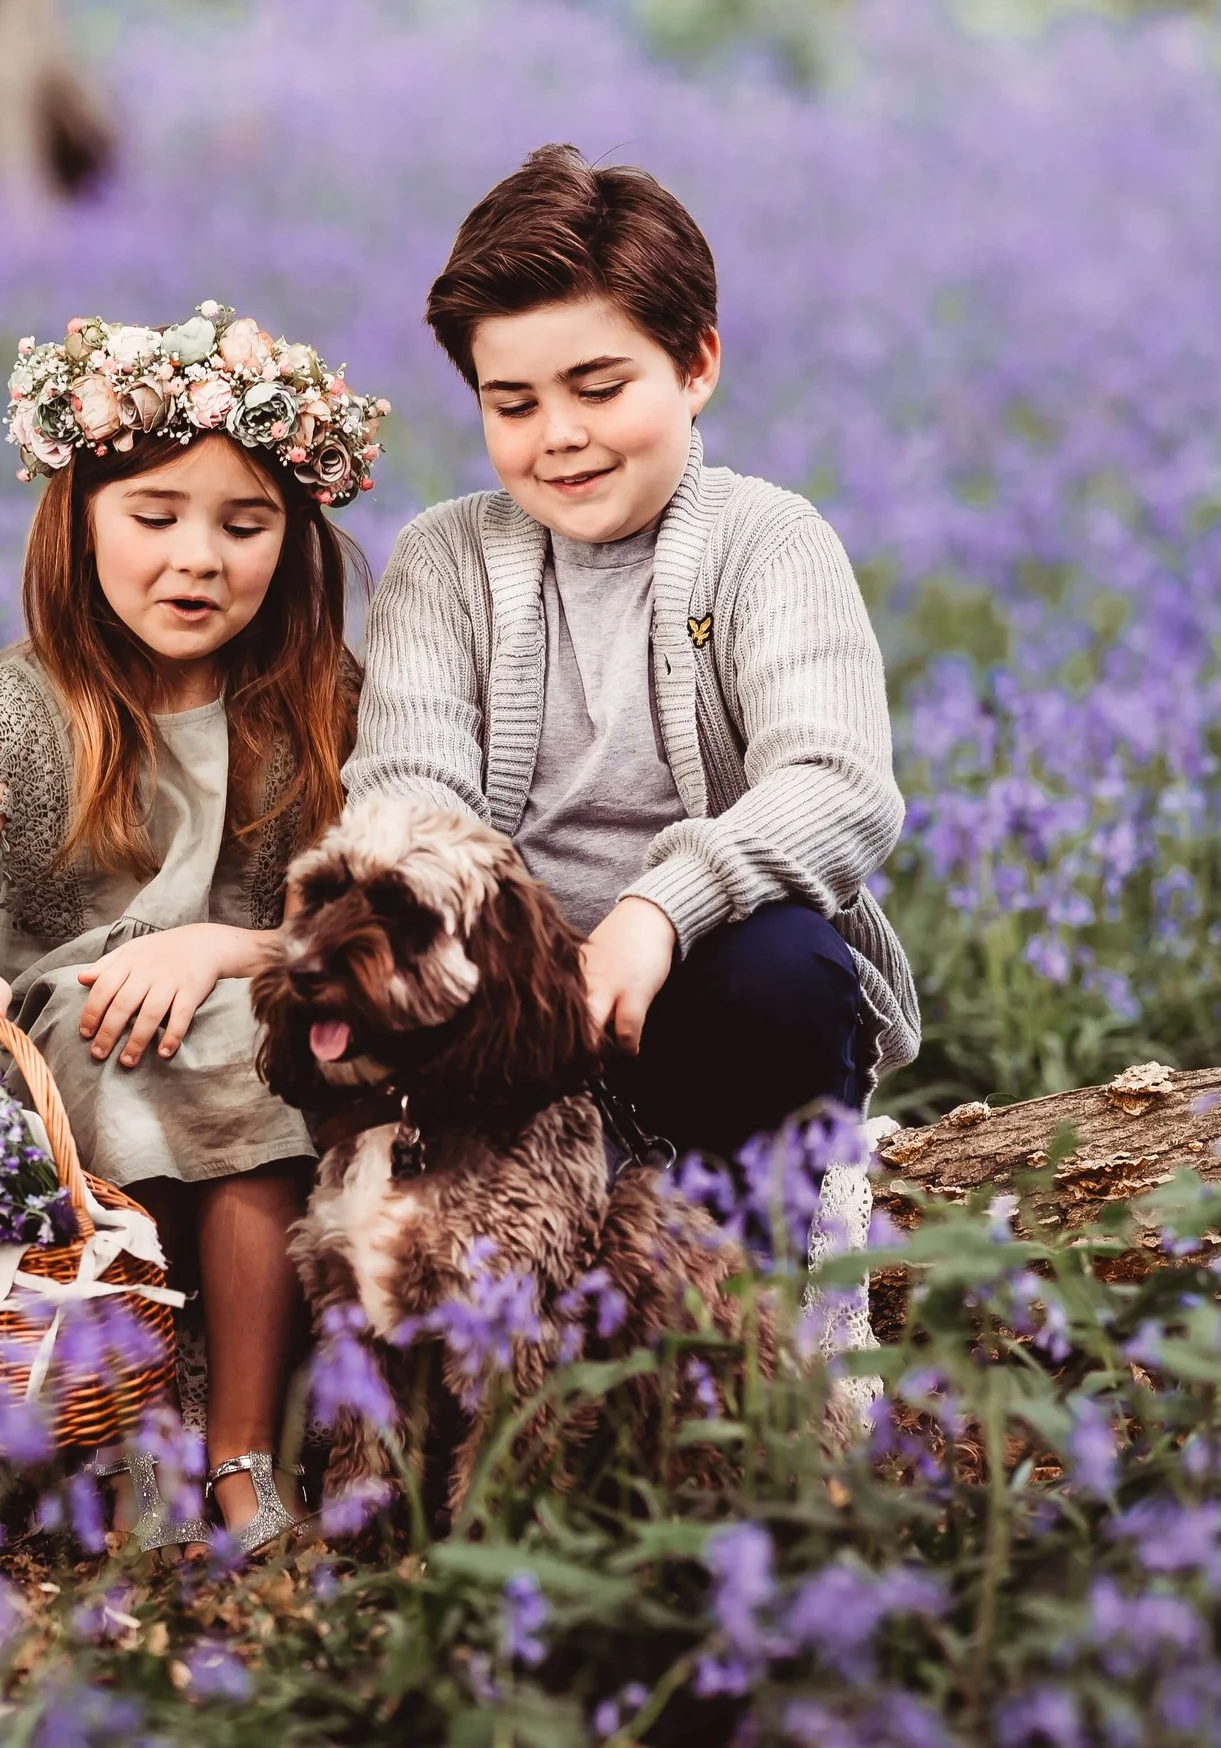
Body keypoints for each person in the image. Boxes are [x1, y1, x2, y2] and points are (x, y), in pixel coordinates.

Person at [0, 302, 380, 1553]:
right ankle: (141, 1435)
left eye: (243, 525)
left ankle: (243, 1451)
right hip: (61, 1042)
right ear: (78, 520)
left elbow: (367, 926)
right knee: (142, 1044)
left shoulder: (322, 704)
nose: (196, 559)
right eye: (154, 518)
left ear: (292, 541)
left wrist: (220, 949)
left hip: (261, 1009)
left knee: (236, 1054)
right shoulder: (24, 712)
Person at [345, 145, 918, 1160]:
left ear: (696, 365)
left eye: (598, 389)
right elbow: (406, 793)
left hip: (701, 986)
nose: (557, 436)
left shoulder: (768, 542)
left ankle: (783, 1269)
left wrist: (657, 911)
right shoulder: (443, 558)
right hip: (501, 997)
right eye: (512, 404)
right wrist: (526, 974)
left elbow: (835, 784)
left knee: (784, 965)